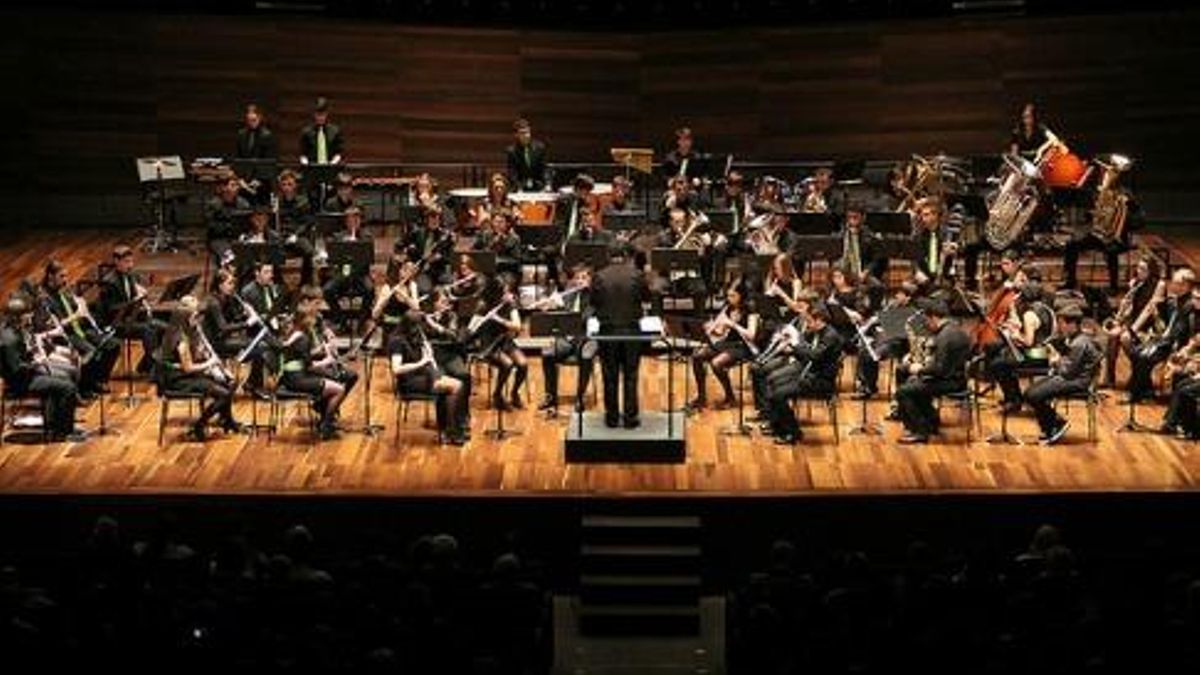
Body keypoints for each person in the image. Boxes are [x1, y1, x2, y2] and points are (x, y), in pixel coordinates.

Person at [157, 295, 243, 441]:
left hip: (189, 374)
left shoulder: (190, 332)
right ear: (185, 319)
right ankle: (199, 425)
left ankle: (227, 421)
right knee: (223, 393)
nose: (197, 319)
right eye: (194, 316)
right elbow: (188, 368)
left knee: (230, 383)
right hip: (179, 379)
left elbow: (195, 358)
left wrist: (206, 355)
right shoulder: (180, 340)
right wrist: (209, 364)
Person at [0, 296, 85, 442]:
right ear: (16, 317)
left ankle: (58, 426)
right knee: (67, 387)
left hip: (28, 374)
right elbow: (17, 369)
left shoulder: (16, 330)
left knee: (65, 377)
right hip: (21, 382)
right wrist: (36, 362)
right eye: (27, 314)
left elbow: (24, 355)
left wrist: (34, 353)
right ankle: (62, 432)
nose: (30, 316)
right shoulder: (9, 340)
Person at [762, 303, 843, 444]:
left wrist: (794, 345)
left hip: (821, 382)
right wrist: (791, 348)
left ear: (819, 320)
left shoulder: (830, 336)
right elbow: (806, 354)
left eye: (810, 321)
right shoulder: (818, 332)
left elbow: (814, 356)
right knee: (773, 382)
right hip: (811, 374)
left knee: (779, 394)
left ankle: (793, 433)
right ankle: (778, 426)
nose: (808, 325)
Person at [895, 299, 972, 444]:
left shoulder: (944, 337)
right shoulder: (956, 329)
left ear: (934, 318)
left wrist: (919, 369)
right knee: (914, 384)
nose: (927, 326)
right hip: (956, 378)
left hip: (950, 382)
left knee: (904, 391)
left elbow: (939, 369)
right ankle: (931, 422)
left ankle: (919, 431)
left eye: (927, 321)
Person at [40, 260, 119, 398]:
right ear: (50, 277)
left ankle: (98, 380)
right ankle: (84, 388)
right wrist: (76, 315)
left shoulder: (63, 291)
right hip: (65, 336)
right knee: (91, 352)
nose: (65, 280)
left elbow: (75, 307)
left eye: (66, 276)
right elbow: (56, 325)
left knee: (112, 345)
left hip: (80, 329)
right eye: (61, 276)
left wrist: (80, 305)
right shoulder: (45, 298)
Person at [590, 244, 650, 428]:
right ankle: (631, 418)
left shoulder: (599, 276)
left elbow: (594, 302)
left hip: (608, 332)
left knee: (610, 375)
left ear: (608, 255)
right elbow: (646, 297)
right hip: (632, 331)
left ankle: (612, 418)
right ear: (625, 255)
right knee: (631, 375)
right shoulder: (637, 274)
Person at [1024, 305, 1102, 445]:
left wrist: (1056, 359)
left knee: (1033, 395)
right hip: (1071, 377)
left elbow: (1067, 372)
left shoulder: (1080, 343)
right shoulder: (1075, 339)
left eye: (1062, 324)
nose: (1060, 328)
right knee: (1031, 392)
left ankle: (1055, 426)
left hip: (1077, 381)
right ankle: (1053, 425)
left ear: (1072, 324)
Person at [388, 310, 468, 445]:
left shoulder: (414, 336)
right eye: (418, 326)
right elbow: (396, 369)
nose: (420, 330)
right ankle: (452, 431)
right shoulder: (397, 341)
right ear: (411, 326)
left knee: (459, 385)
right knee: (456, 386)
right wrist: (422, 362)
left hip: (423, 375)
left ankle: (451, 429)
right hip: (410, 382)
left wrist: (427, 350)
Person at [276, 306, 348, 440]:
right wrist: (327, 361)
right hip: (297, 379)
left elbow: (302, 356)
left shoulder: (295, 333)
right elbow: (309, 367)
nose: (314, 320)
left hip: (291, 376)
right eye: (311, 317)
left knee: (330, 379)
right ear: (304, 320)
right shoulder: (303, 338)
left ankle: (325, 420)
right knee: (339, 390)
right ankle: (326, 426)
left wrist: (321, 348)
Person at [1128, 267, 1196, 403]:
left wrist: (1162, 339)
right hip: (1165, 340)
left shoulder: (1189, 305)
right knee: (1135, 352)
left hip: (1175, 345)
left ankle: (1138, 394)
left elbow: (1180, 331)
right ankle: (1145, 391)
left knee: (1143, 356)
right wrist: (1158, 309)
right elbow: (1165, 323)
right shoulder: (1175, 300)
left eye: (1176, 283)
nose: (1172, 285)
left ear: (1185, 285)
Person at [689, 281, 759, 411]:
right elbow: (720, 332)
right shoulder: (728, 308)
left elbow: (751, 335)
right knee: (697, 355)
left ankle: (730, 396)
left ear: (741, 296)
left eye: (733, 296)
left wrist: (733, 324)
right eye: (728, 296)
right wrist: (711, 328)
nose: (729, 299)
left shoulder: (750, 310)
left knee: (716, 364)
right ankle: (701, 397)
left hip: (744, 346)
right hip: (729, 343)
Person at [97, 245, 164, 376]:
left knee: (162, 328)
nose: (130, 265)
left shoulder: (130, 275)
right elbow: (110, 310)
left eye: (131, 261)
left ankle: (145, 366)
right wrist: (134, 302)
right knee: (147, 331)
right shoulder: (109, 282)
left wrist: (140, 297)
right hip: (115, 323)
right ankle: (154, 371)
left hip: (130, 318)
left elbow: (133, 296)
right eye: (127, 262)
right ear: (116, 262)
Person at [536, 265, 595, 414]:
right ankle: (551, 396)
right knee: (547, 354)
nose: (580, 281)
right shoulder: (569, 294)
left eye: (584, 278)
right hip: (566, 338)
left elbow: (586, 318)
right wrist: (548, 306)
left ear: (590, 280)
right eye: (577, 278)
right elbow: (558, 315)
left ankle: (580, 397)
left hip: (585, 338)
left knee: (586, 356)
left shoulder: (595, 297)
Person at [204, 268, 270, 399]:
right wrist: (247, 323)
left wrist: (246, 315)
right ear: (220, 285)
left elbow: (234, 319)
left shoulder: (228, 298)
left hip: (225, 339)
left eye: (233, 283)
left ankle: (252, 383)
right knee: (260, 348)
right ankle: (252, 385)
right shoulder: (213, 302)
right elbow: (223, 327)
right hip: (216, 343)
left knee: (261, 346)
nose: (232, 286)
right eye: (229, 283)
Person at [322, 206, 376, 330]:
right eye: (350, 220)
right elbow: (334, 259)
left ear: (360, 221)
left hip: (360, 274)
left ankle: (362, 319)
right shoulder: (338, 236)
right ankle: (341, 320)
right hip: (344, 273)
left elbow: (367, 260)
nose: (353, 223)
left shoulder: (366, 237)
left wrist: (354, 244)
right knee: (327, 290)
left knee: (370, 289)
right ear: (346, 222)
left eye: (356, 220)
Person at [274, 169, 317, 285]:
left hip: (297, 235)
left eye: (290, 184)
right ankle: (278, 282)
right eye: (284, 185)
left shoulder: (303, 201)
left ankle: (305, 281)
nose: (287, 188)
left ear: (295, 185)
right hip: (282, 235)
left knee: (309, 251)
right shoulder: (277, 202)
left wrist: (295, 235)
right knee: (271, 250)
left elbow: (307, 223)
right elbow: (275, 222)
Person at [233, 102, 278, 201]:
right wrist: (241, 180)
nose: (251, 123)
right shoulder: (241, 135)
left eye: (254, 120)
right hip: (244, 181)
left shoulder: (267, 136)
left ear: (259, 118)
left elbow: (269, 162)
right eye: (249, 120)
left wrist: (257, 180)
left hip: (262, 181)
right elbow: (238, 158)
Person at [205, 174, 250, 262]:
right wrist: (230, 227)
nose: (236, 188)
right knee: (229, 257)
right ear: (224, 187)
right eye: (233, 185)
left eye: (237, 185)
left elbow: (247, 223)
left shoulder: (243, 203)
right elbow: (211, 226)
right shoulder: (213, 204)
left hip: (238, 237)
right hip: (219, 239)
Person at [505, 118, 549, 191]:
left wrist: (547, 184)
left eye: (528, 132)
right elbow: (512, 172)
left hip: (538, 185)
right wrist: (517, 186)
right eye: (522, 133)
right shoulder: (512, 151)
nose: (526, 135)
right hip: (520, 186)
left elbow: (544, 168)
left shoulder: (540, 148)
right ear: (516, 135)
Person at [299, 96, 344, 166]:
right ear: (314, 114)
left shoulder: (335, 131)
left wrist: (332, 163)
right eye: (318, 115)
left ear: (326, 114)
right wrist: (306, 164)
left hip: (331, 168)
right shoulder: (306, 132)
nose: (320, 117)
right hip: (312, 168)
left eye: (322, 114)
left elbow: (339, 152)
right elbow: (303, 154)